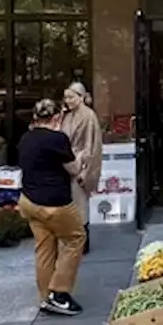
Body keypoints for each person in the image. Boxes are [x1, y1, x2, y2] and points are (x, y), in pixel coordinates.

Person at [18, 99, 86, 315]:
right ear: (57, 118)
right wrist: (81, 158)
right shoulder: (58, 139)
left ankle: (45, 297)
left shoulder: (26, 138)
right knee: (76, 238)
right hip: (55, 203)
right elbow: (73, 169)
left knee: (44, 248)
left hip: (29, 201)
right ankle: (60, 293)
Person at [60, 81, 102, 254]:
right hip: (66, 163)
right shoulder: (67, 115)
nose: (68, 101)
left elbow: (92, 146)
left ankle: (83, 242)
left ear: (81, 97)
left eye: (71, 97)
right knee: (71, 204)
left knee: (80, 204)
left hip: (80, 164)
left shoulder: (89, 116)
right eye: (66, 97)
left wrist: (86, 169)